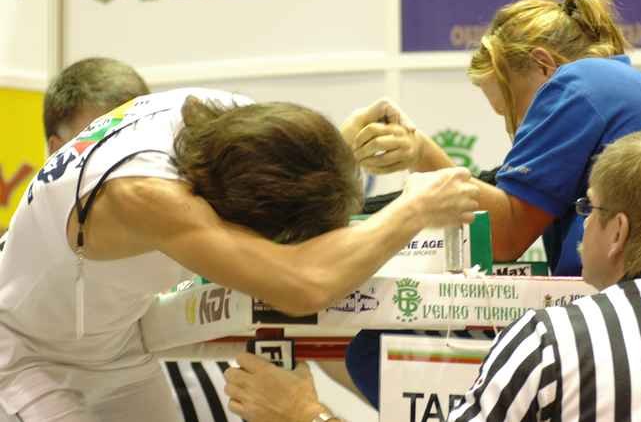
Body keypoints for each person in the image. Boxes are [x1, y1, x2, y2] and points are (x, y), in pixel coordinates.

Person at [224, 127, 641, 422]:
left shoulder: (555, 340)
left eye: (588, 210)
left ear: (618, 233)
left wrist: (306, 414)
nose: (580, 228)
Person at [0, 82, 479, 420]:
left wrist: (340, 148)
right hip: (22, 354)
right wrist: (414, 208)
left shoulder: (224, 121)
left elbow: (290, 170)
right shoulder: (146, 196)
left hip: (114, 346)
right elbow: (303, 285)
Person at [341, 0, 641, 407]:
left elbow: (501, 235)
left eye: (512, 107)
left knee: (372, 349)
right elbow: (504, 206)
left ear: (543, 65)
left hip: (620, 325)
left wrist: (420, 157)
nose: (515, 125)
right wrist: (422, 155)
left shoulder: (577, 83)